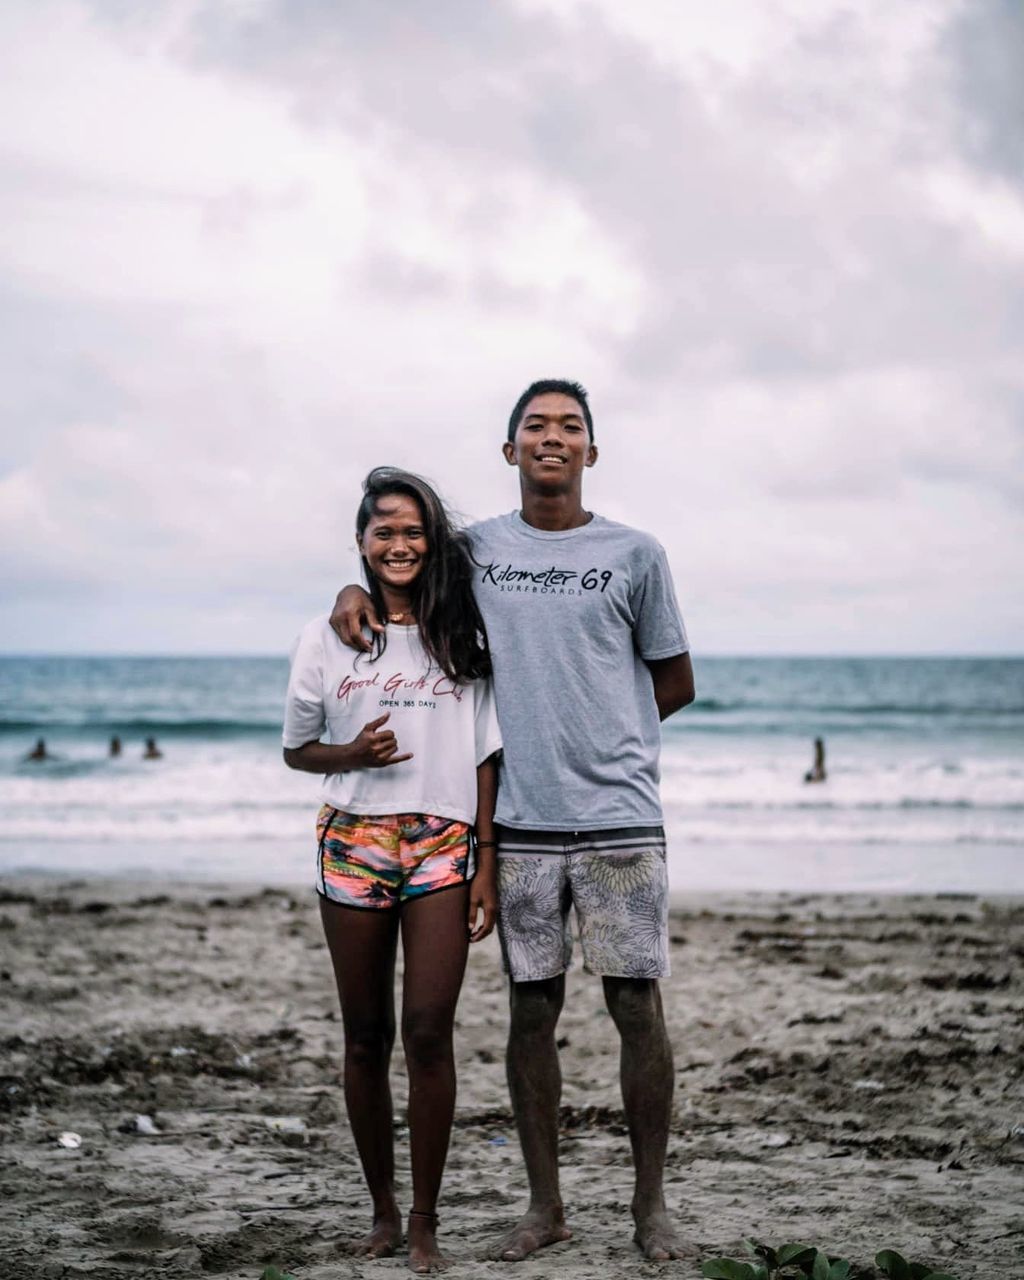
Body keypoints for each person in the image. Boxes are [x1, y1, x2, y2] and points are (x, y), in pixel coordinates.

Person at [331, 381, 695, 1262]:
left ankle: (651, 1210)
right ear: (511, 451)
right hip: (520, 825)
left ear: (591, 453)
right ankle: (546, 1208)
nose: (553, 437)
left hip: (618, 820)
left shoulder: (636, 554)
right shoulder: (478, 549)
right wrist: (348, 583)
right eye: (536, 425)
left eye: (570, 426)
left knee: (636, 1007)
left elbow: (673, 681)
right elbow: (399, 562)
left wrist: (605, 735)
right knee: (532, 1013)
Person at [284, 467, 502, 1274]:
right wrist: (352, 753)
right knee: (366, 1035)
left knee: (428, 1034)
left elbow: (486, 752)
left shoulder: (463, 632)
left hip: (443, 844)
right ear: (361, 542)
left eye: (413, 531)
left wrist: (486, 858)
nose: (399, 544)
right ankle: (380, 1211)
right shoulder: (326, 634)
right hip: (354, 839)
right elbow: (297, 748)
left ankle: (424, 1222)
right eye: (384, 532)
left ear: (431, 539)